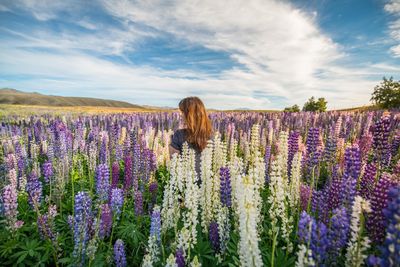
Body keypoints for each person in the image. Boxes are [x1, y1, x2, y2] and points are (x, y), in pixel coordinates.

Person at [169, 96, 213, 181]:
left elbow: (174, 162)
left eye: (183, 112)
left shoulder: (179, 134)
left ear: (190, 115)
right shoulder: (212, 136)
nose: (181, 116)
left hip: (185, 183)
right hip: (206, 185)